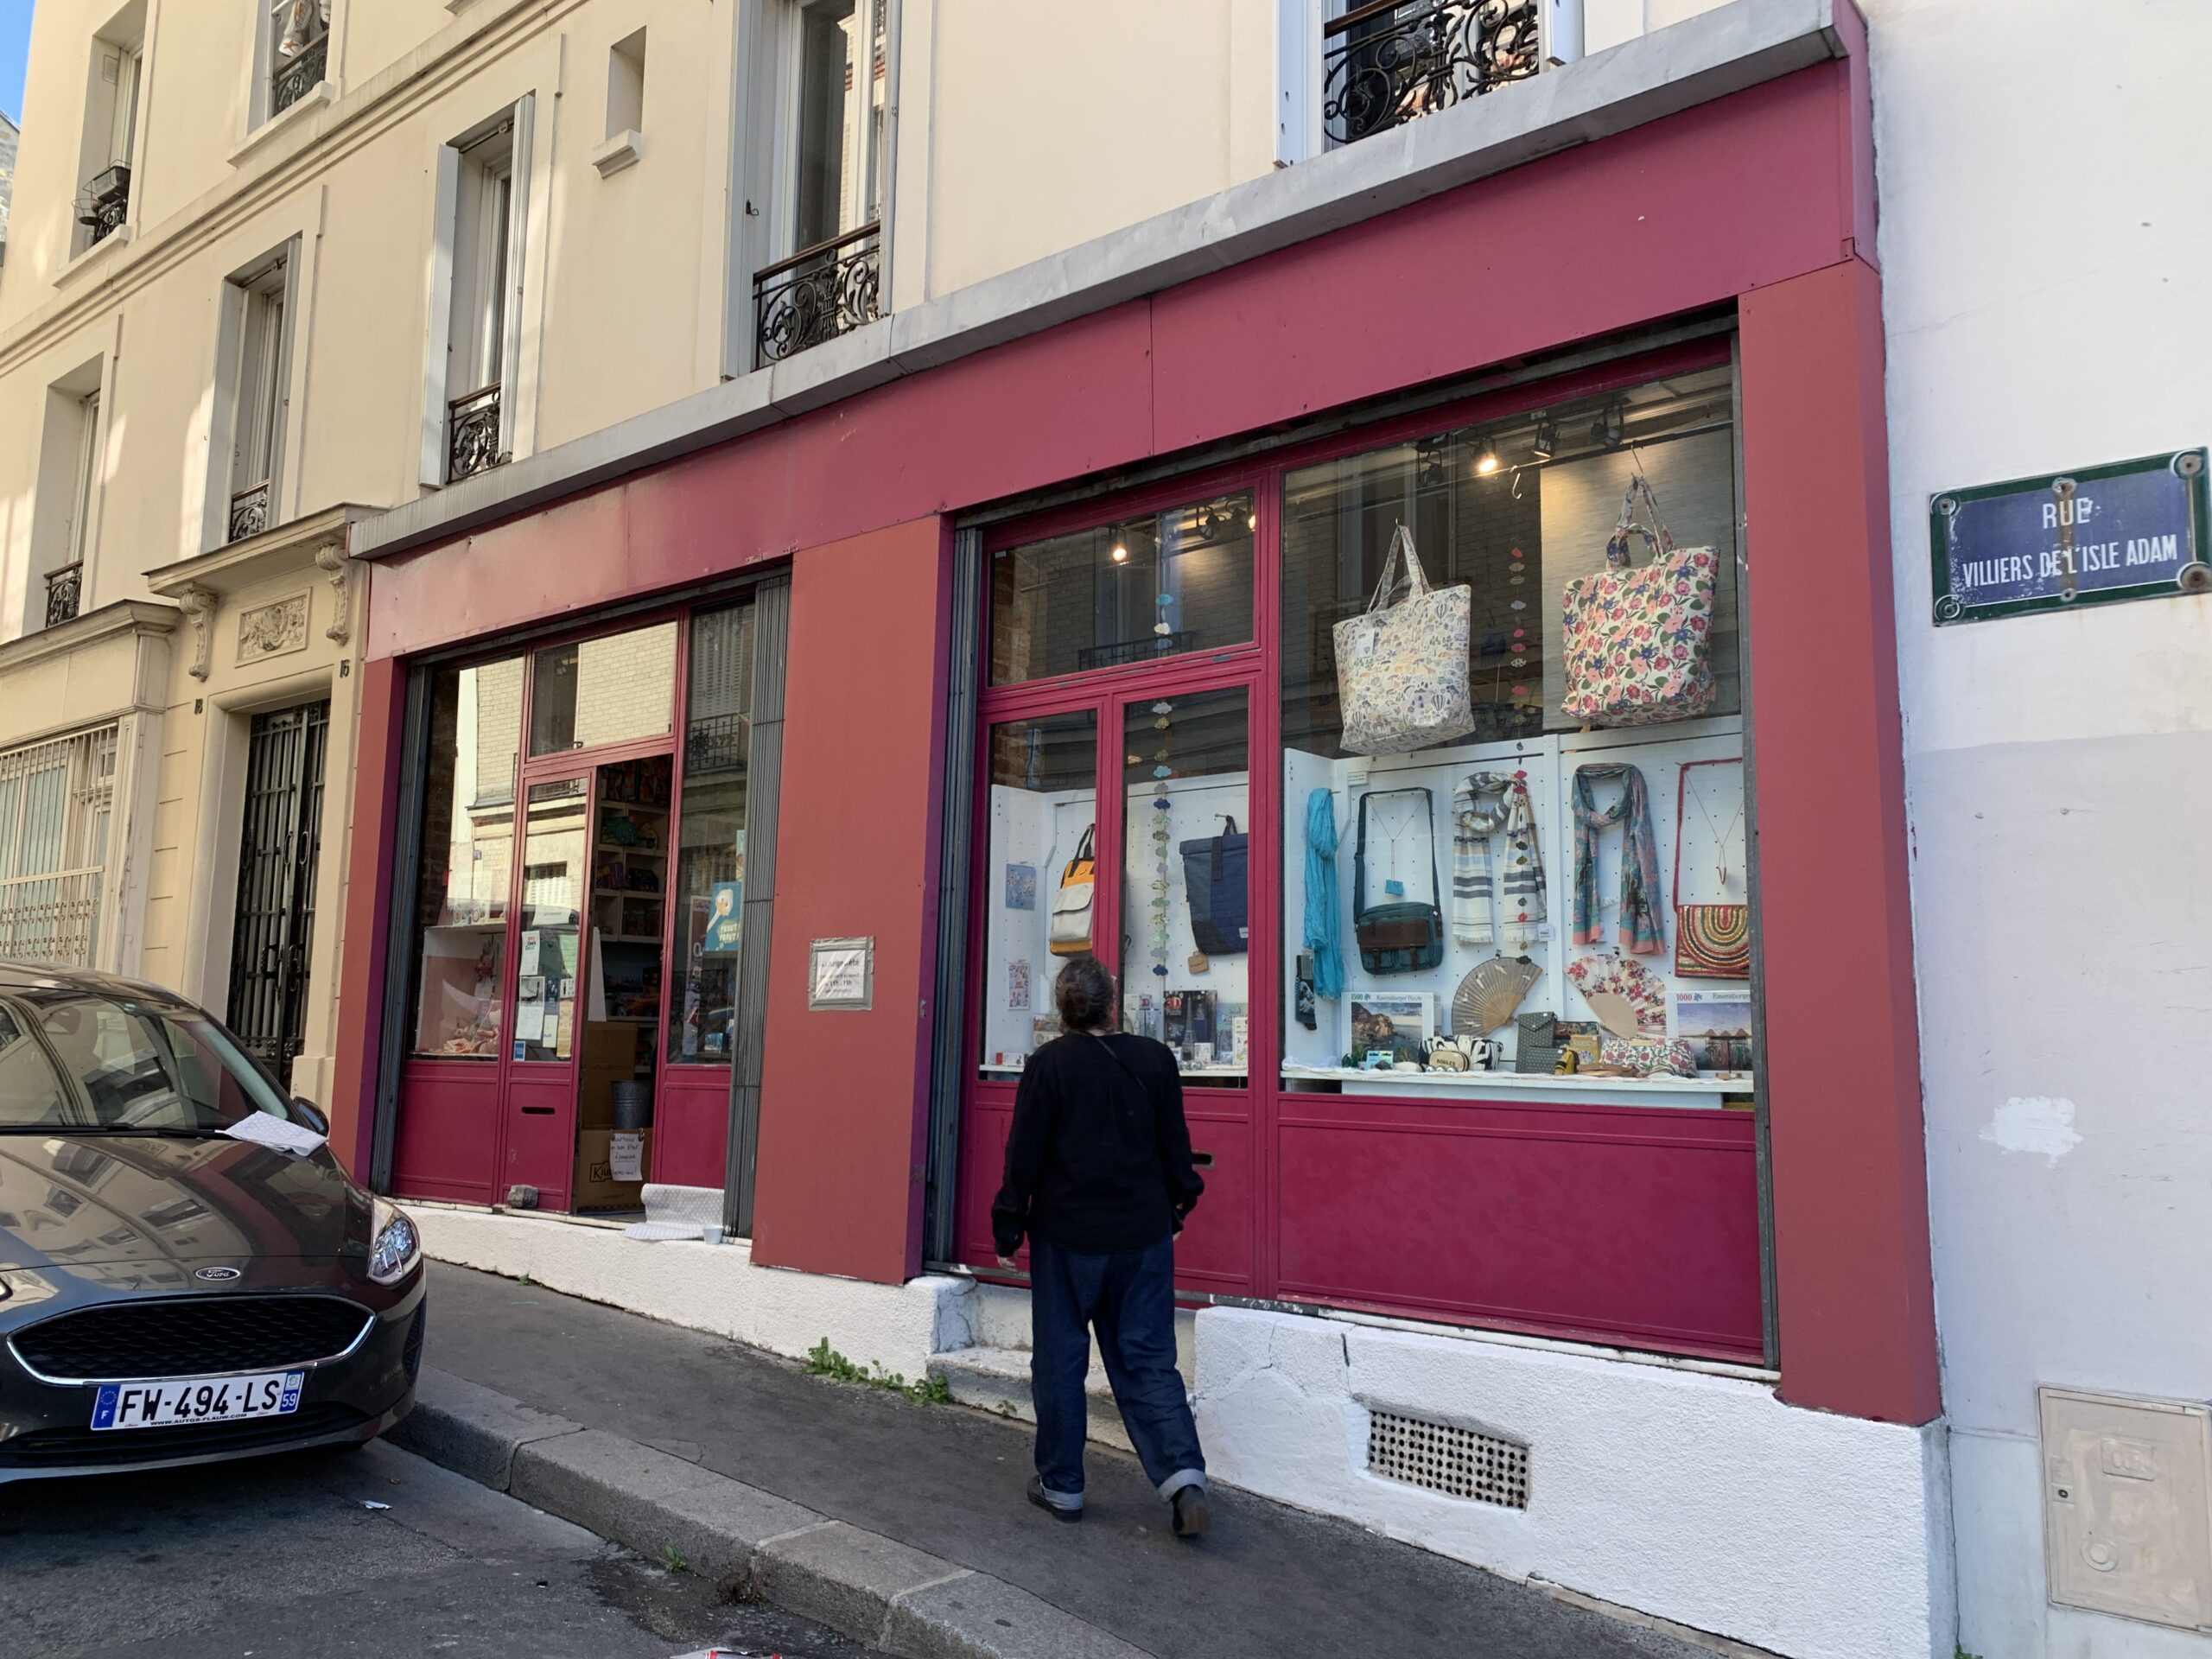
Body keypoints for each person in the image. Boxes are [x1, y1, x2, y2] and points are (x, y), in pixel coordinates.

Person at [991, 952, 1210, 1537]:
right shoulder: (1155, 1060)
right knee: (1147, 1358)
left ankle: (1062, 1484)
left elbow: (1024, 1156)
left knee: (1061, 1359)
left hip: (1069, 1239)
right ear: (1112, 1003)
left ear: (1063, 1008)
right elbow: (1175, 1148)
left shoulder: (1049, 1065)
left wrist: (1008, 1226)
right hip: (1141, 1236)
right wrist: (1181, 1203)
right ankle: (1184, 1475)